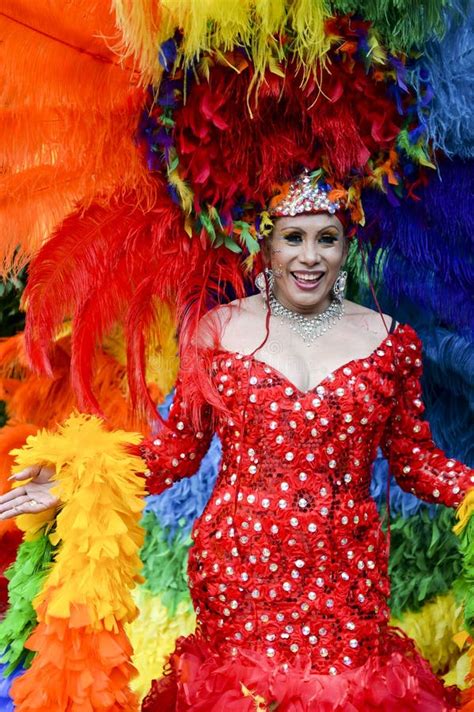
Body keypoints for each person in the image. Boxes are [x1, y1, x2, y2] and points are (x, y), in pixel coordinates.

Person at [0, 176, 472, 711]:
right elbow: (175, 453)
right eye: (294, 238)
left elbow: (417, 464)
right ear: (267, 244)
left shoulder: (391, 340)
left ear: (348, 247)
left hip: (346, 574)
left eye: (327, 238)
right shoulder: (216, 331)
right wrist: (81, 477)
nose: (310, 256)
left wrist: (473, 489)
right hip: (239, 569)